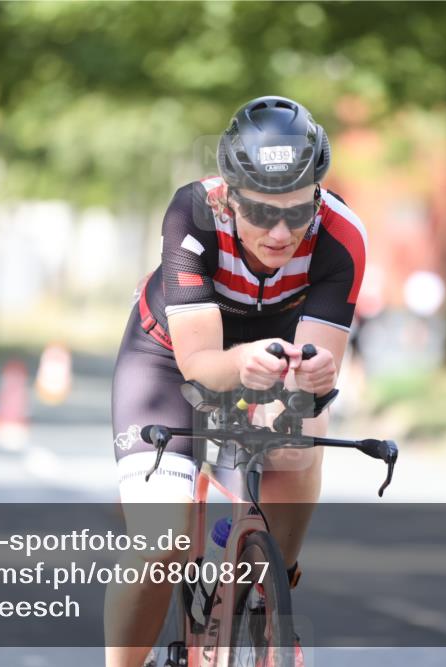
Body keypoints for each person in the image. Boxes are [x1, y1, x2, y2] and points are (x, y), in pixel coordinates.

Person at [105, 95, 366, 667]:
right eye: (261, 213)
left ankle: (271, 584)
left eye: (298, 213)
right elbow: (201, 363)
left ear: (317, 198)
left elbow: (319, 374)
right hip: (168, 356)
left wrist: (316, 374)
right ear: (228, 197)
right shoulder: (192, 213)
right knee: (162, 543)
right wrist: (243, 361)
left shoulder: (343, 237)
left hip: (271, 353)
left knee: (298, 444)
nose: (280, 232)